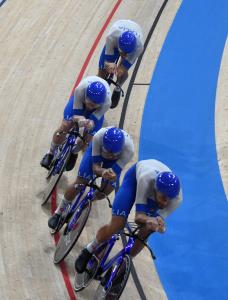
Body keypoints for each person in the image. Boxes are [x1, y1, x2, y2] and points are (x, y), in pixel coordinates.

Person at [75, 159, 182, 273]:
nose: (165, 203)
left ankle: (122, 268)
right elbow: (138, 217)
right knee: (117, 224)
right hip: (134, 181)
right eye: (163, 197)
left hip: (153, 188)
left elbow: (158, 220)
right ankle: (89, 249)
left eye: (168, 199)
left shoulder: (176, 199)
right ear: (156, 189)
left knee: (147, 231)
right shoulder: (146, 179)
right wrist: (150, 220)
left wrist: (158, 225)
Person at [48, 126, 134, 229]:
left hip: (113, 164)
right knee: (80, 182)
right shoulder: (98, 136)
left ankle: (84, 203)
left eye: (114, 152)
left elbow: (114, 173)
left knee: (104, 193)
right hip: (97, 157)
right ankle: (59, 212)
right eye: (108, 151)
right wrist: (102, 172)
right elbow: (95, 167)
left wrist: (110, 175)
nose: (110, 154)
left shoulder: (129, 150)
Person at [40, 75, 111, 171]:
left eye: (94, 105)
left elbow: (95, 119)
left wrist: (90, 123)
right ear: (86, 96)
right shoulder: (80, 90)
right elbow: (75, 116)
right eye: (89, 104)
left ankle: (74, 153)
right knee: (65, 126)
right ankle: (50, 153)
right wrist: (78, 119)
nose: (90, 107)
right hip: (79, 102)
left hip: (96, 112)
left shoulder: (106, 103)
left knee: (88, 139)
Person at [98, 19, 144, 108]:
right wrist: (108, 65)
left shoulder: (139, 47)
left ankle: (118, 88)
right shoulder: (111, 37)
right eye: (123, 53)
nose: (124, 55)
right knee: (102, 71)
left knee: (121, 72)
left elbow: (124, 66)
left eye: (127, 53)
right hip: (116, 40)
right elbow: (107, 61)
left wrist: (121, 68)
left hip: (132, 40)